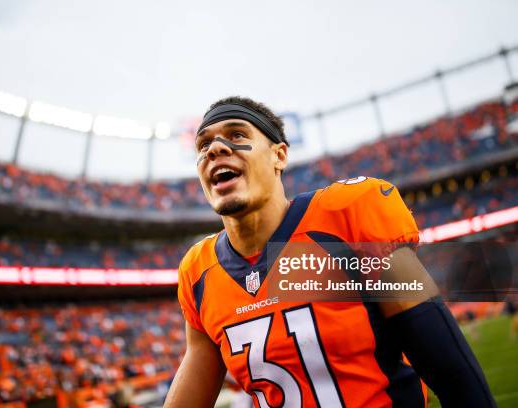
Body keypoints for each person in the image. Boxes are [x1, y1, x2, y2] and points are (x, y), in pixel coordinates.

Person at [163, 96, 495, 408]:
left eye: (237, 134)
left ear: (279, 155)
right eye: (203, 143)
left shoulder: (346, 218)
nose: (216, 148)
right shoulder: (199, 271)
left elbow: (449, 367)